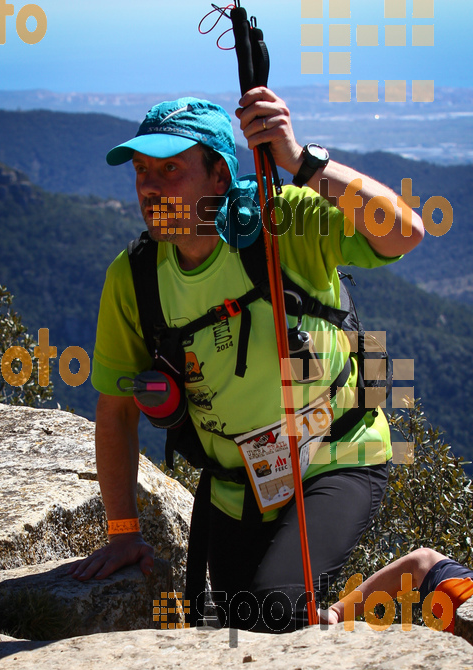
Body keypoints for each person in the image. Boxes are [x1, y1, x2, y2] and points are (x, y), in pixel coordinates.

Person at [68, 87, 424, 632]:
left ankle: (420, 573)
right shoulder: (135, 278)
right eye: (141, 170)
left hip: (337, 452)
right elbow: (116, 410)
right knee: (240, 633)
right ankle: (345, 623)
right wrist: (122, 531)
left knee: (274, 613)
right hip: (241, 483)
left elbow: (405, 232)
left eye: (169, 169)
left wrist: (302, 163)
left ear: (219, 177)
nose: (149, 186)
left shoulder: (285, 222)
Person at [318, 547, 473, 633]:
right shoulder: (458, 595)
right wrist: (337, 613)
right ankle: (336, 614)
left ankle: (336, 614)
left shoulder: (459, 596)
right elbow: (420, 561)